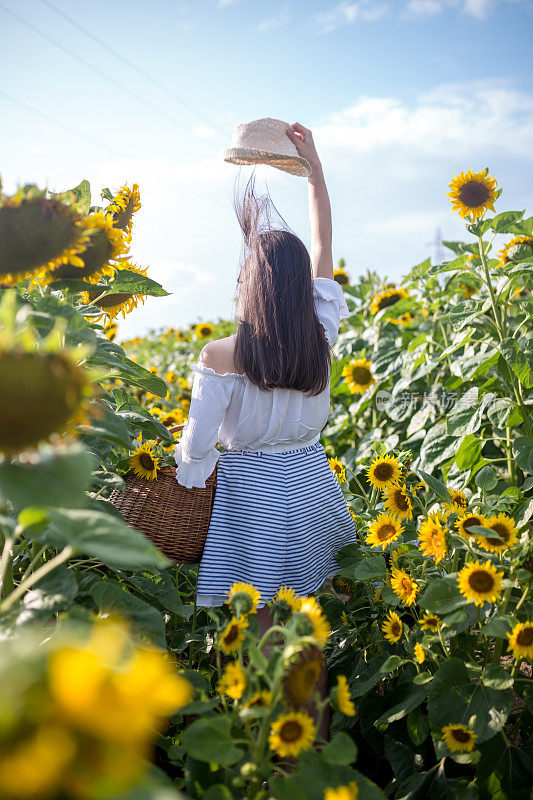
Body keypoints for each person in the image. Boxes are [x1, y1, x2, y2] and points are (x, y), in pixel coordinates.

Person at [174, 122, 357, 741]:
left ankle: (263, 764)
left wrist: (190, 474)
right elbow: (326, 241)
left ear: (249, 283)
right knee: (304, 642)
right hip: (309, 490)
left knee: (252, 649)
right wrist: (316, 170)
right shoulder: (321, 336)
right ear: (302, 281)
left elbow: (195, 452)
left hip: (250, 500)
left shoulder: (223, 355)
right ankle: (315, 752)